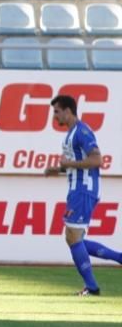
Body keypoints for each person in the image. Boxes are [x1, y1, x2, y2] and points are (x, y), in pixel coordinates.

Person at [43, 94, 122, 296]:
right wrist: (59, 169)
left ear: (68, 111)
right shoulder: (70, 135)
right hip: (77, 189)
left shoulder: (83, 131)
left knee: (73, 237)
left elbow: (97, 160)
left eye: (57, 112)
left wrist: (68, 164)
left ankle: (92, 287)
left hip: (84, 189)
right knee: (73, 238)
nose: (55, 117)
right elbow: (77, 164)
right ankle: (116, 261)